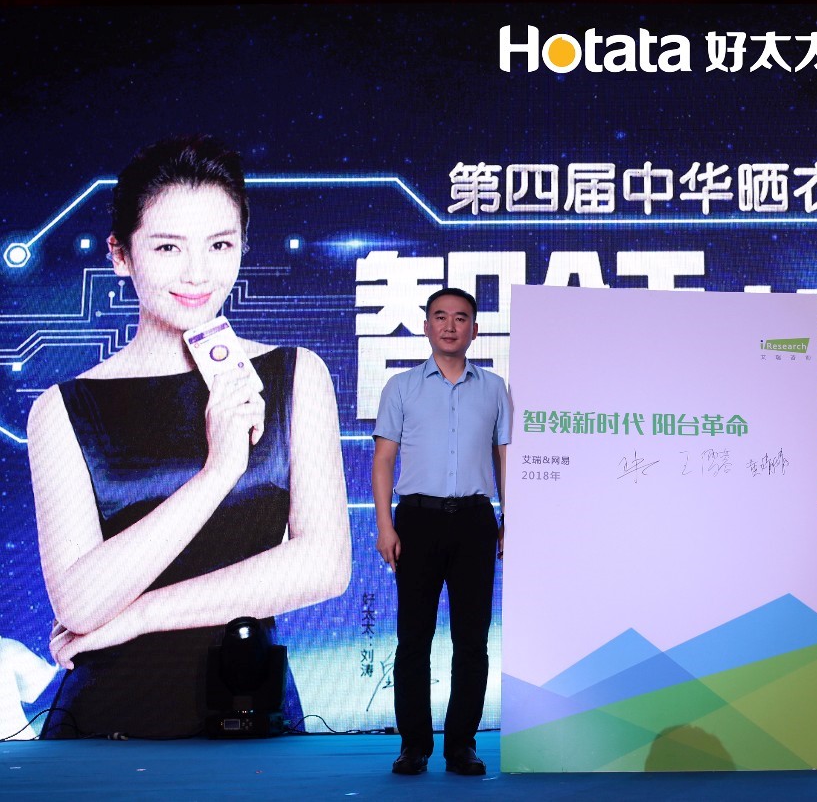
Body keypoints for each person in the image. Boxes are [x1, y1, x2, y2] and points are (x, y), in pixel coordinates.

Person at [27, 136, 351, 738]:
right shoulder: (63, 408)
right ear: (120, 255)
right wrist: (218, 472)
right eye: (168, 246)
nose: (198, 273)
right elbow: (79, 604)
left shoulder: (295, 375)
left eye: (220, 245)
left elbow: (323, 566)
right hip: (107, 721)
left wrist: (141, 615)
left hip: (248, 701)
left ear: (243, 247)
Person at [372, 286, 509, 777]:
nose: (451, 326)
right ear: (426, 325)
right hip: (417, 520)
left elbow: (505, 458)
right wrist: (385, 525)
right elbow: (383, 460)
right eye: (441, 316)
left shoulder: (494, 388)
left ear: (475, 329)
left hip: (475, 520)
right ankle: (414, 746)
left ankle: (461, 746)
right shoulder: (401, 387)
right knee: (414, 639)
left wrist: (509, 520)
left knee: (472, 641)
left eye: (461, 318)